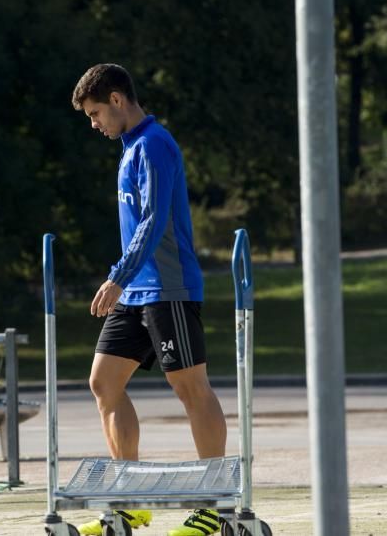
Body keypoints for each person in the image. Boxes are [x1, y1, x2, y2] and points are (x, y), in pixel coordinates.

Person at [71, 63, 228, 536]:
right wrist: (125, 282)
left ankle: (213, 506)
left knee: (190, 389)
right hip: (136, 291)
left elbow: (155, 220)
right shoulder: (129, 149)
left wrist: (118, 275)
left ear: (118, 100)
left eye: (96, 113)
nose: (95, 123)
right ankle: (129, 504)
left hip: (168, 290)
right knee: (104, 383)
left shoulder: (156, 145)